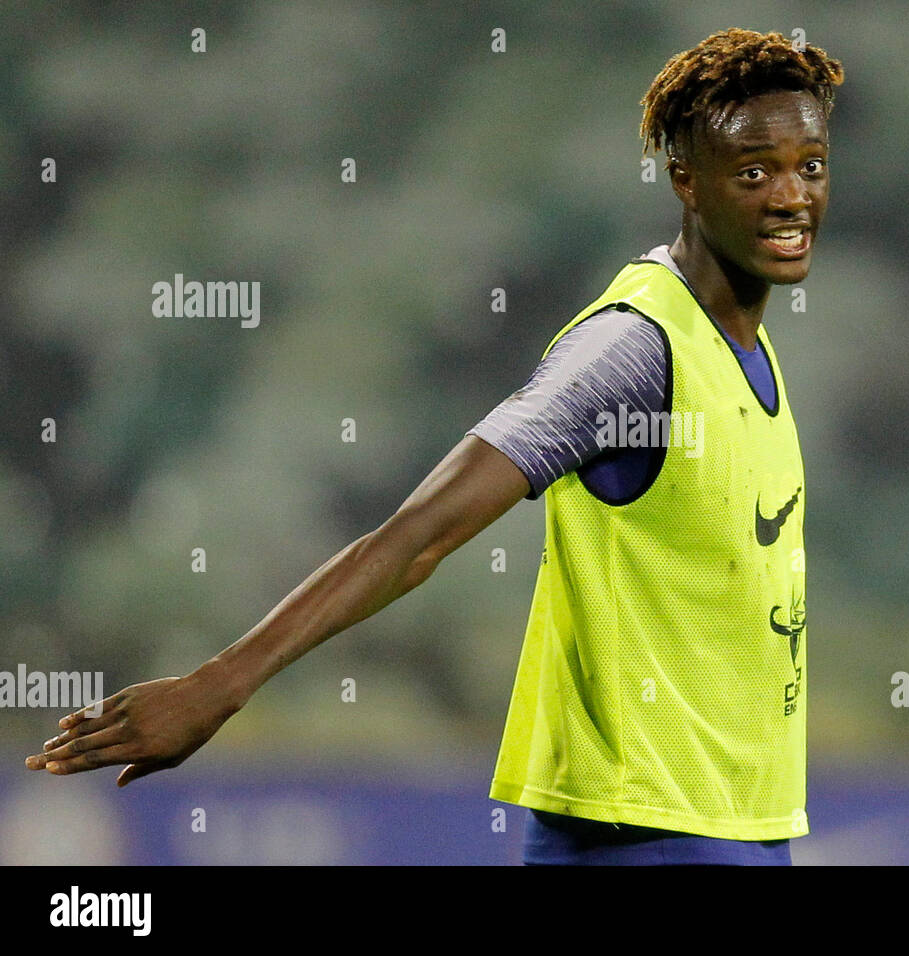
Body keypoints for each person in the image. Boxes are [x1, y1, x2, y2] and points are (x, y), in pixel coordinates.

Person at [26, 27, 844, 866]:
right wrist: (220, 685)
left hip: (737, 825)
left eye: (808, 166)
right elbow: (418, 536)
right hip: (651, 833)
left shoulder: (745, 347)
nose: (790, 196)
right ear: (686, 181)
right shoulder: (632, 352)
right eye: (753, 172)